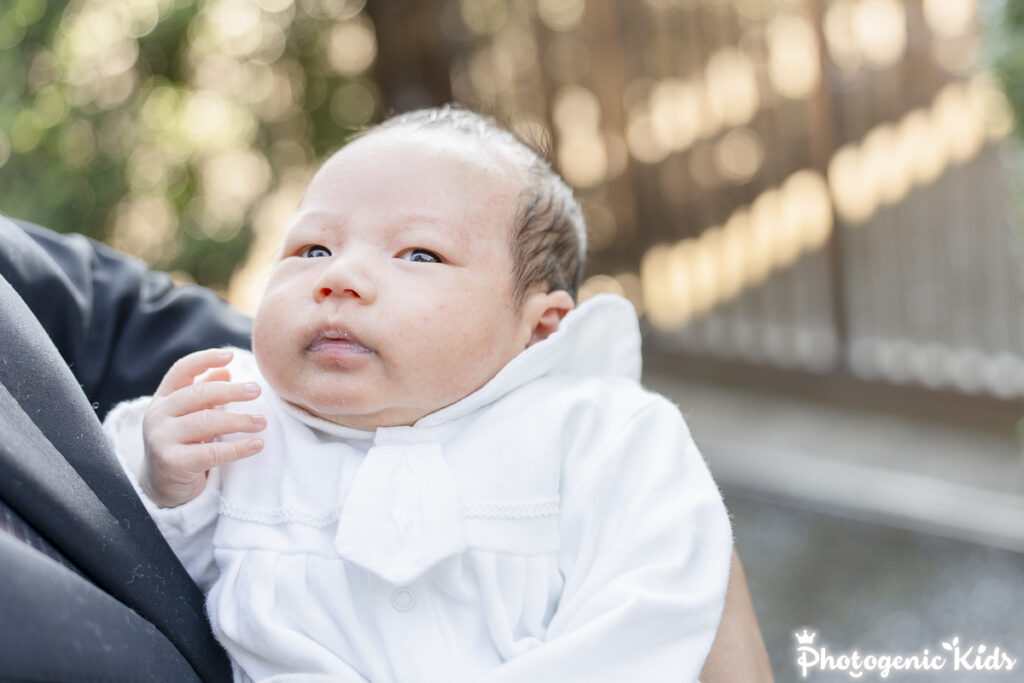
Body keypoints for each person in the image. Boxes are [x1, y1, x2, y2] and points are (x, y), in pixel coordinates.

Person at [102, 106, 734, 682]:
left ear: (537, 329)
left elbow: (650, 618)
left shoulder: (602, 433)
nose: (340, 276)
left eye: (420, 254)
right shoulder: (232, 416)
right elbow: (149, 586)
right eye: (312, 247)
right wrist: (164, 490)